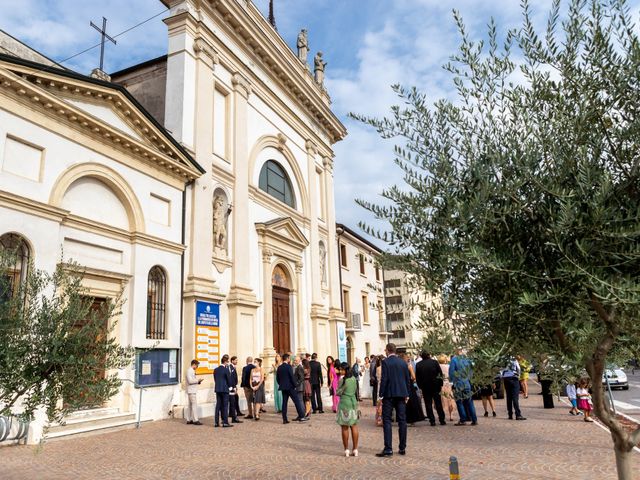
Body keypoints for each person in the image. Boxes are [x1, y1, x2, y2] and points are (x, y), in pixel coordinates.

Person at [376, 343, 411, 457]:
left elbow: (384, 379)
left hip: (389, 395)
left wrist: (380, 394)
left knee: (387, 420)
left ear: (387, 350)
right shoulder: (403, 362)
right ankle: (402, 447)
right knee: (402, 420)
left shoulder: (385, 362)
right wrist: (408, 393)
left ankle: (388, 448)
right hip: (401, 394)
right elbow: (407, 379)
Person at [415, 351, 446, 426]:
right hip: (436, 386)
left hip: (425, 387)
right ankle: (442, 419)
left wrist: (420, 387)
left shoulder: (418, 364)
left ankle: (432, 420)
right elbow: (440, 373)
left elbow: (418, 377)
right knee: (438, 403)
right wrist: (441, 384)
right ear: (429, 355)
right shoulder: (434, 362)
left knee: (428, 404)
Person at [449, 347, 478, 426]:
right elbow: (471, 371)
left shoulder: (454, 360)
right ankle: (474, 419)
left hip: (458, 383)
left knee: (459, 402)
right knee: (470, 402)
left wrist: (451, 382)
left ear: (457, 351)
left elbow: (451, 372)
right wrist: (469, 379)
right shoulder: (468, 360)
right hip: (467, 383)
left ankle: (463, 419)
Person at [336, 362, 360, 457]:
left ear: (345, 370)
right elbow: (355, 390)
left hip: (345, 403)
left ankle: (346, 449)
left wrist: (341, 390)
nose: (340, 371)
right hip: (353, 402)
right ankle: (355, 449)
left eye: (342, 369)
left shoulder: (342, 380)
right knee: (354, 425)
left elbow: (338, 392)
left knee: (344, 426)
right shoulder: (353, 378)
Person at [277, 353, 308, 423]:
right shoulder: (289, 367)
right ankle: (302, 416)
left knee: (284, 403)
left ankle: (284, 419)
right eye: (289, 358)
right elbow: (292, 377)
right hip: (290, 387)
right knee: (297, 401)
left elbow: (277, 378)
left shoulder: (279, 367)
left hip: (283, 387)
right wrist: (295, 385)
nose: (290, 359)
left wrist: (281, 384)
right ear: (287, 359)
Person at [402, 352, 426, 425]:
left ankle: (405, 419)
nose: (408, 358)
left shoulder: (401, 366)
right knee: (412, 401)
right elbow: (414, 377)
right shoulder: (409, 366)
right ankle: (412, 419)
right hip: (409, 385)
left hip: (403, 385)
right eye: (407, 357)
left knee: (404, 402)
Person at [502, 356, 526, 421]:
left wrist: (503, 376)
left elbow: (501, 369)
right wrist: (518, 376)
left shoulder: (503, 359)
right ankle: (518, 415)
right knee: (515, 398)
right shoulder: (514, 359)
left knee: (509, 397)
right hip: (514, 378)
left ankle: (510, 414)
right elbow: (518, 368)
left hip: (506, 379)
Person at [213, 354, 233, 428]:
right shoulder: (226, 369)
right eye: (227, 362)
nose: (227, 363)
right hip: (224, 389)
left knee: (218, 406)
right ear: (225, 362)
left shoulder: (215, 370)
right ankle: (225, 422)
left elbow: (215, 379)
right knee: (225, 406)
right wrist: (231, 388)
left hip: (218, 389)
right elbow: (228, 380)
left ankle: (216, 422)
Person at [438, 354, 455, 422]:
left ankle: (443, 415)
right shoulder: (449, 366)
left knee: (442, 401)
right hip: (448, 385)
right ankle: (451, 415)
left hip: (441, 385)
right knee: (450, 400)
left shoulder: (438, 366)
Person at [185, 359, 203, 425]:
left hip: (191, 390)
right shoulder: (189, 371)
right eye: (197, 365)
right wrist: (197, 380)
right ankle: (195, 420)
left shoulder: (191, 370)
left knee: (190, 405)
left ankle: (189, 419)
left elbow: (192, 380)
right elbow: (190, 381)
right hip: (191, 390)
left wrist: (198, 382)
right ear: (194, 364)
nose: (197, 367)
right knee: (194, 405)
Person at [228, 356, 242, 424]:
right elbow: (231, 378)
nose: (237, 361)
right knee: (233, 400)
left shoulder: (233, 367)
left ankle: (235, 412)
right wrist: (234, 387)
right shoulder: (230, 367)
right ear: (232, 360)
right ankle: (233, 414)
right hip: (232, 387)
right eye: (235, 360)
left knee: (235, 398)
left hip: (234, 385)